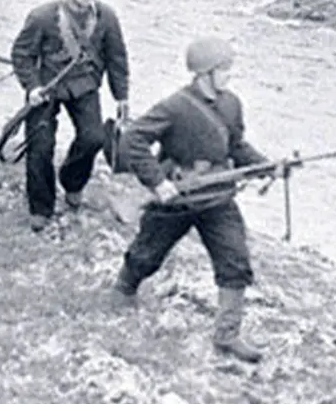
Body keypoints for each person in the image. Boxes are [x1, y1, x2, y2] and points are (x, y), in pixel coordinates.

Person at [112, 36, 267, 363]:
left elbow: (236, 146)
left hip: (217, 198)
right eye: (223, 69)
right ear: (203, 74)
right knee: (146, 255)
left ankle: (227, 334)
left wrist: (264, 165)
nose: (229, 75)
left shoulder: (231, 104)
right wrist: (157, 182)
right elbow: (133, 139)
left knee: (235, 261)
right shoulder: (175, 106)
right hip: (177, 199)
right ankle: (124, 288)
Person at [9, 0, 129, 231]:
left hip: (85, 85)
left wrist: (121, 96)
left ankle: (73, 181)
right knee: (40, 146)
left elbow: (117, 57)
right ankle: (41, 207)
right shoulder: (42, 17)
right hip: (47, 87)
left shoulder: (106, 17)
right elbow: (21, 54)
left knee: (94, 137)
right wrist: (31, 87)